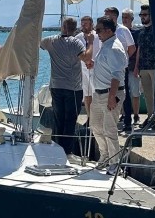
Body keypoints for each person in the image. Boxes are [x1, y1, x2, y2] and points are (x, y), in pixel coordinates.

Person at [40, 17, 90, 155]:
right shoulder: (76, 43)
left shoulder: (50, 40)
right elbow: (86, 58)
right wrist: (90, 43)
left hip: (56, 86)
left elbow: (38, 44)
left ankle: (57, 148)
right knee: (70, 121)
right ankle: (66, 152)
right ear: (75, 29)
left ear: (62, 26)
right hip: (73, 88)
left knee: (58, 119)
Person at [90, 16, 128, 172]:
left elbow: (117, 75)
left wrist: (112, 97)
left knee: (109, 129)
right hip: (98, 94)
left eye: (98, 30)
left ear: (108, 30)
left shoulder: (114, 48)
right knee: (96, 127)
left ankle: (115, 162)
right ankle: (104, 156)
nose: (96, 33)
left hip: (110, 94)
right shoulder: (105, 45)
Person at [134, 5, 155, 131]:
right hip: (143, 67)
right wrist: (136, 66)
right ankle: (151, 116)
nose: (142, 17)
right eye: (141, 15)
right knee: (147, 94)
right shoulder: (141, 31)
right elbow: (139, 50)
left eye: (145, 15)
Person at [75, 15, 99, 119]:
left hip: (96, 69)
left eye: (86, 23)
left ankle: (97, 118)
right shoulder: (78, 38)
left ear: (91, 24)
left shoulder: (98, 37)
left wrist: (95, 62)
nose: (83, 25)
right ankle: (90, 118)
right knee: (87, 94)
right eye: (82, 23)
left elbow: (102, 52)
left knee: (97, 94)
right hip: (82, 70)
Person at [120, 9, 140, 131]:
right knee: (124, 91)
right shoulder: (119, 31)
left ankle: (136, 115)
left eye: (127, 17)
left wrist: (137, 65)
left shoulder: (136, 32)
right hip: (123, 67)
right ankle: (124, 114)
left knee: (135, 91)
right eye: (123, 17)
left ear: (132, 19)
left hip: (133, 65)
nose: (124, 19)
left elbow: (137, 50)